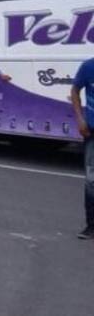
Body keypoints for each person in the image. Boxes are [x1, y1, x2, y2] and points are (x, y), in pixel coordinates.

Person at [69, 57, 94, 239]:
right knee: (91, 181)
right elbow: (75, 90)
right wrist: (80, 119)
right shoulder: (88, 66)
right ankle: (91, 226)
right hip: (92, 132)